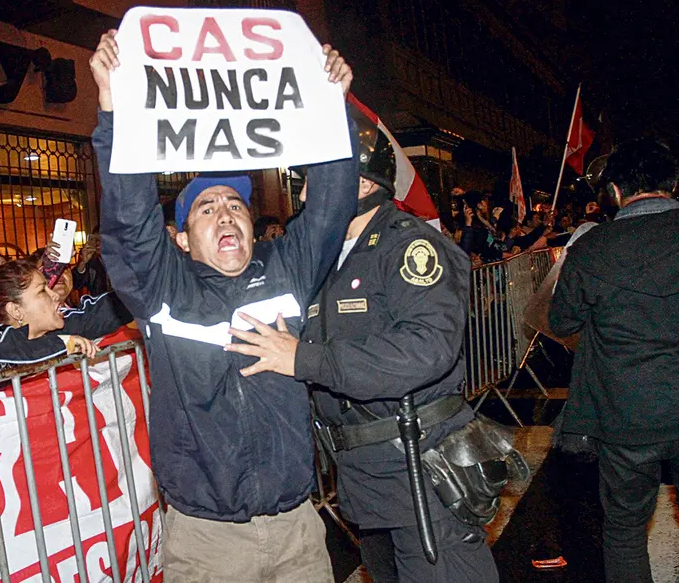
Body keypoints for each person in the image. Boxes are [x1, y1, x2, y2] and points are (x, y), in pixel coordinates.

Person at [90, 29, 357, 581]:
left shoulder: (288, 270)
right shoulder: (163, 290)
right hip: (208, 543)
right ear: (182, 239)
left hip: (298, 534)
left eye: (235, 203)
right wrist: (115, 111)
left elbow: (332, 205)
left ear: (253, 225)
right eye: (205, 209)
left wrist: (334, 108)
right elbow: (129, 225)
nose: (225, 214)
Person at [227, 129, 506, 583]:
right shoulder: (329, 256)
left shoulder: (409, 246)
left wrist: (305, 360)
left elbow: (426, 349)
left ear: (360, 183)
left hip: (420, 467)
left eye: (314, 180)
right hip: (366, 474)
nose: (301, 193)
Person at [549, 138, 679, 583]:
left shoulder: (592, 250)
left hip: (624, 413)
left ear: (615, 192)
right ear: (672, 184)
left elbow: (562, 320)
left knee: (624, 527)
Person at [0, 256, 132, 376]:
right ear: (16, 310)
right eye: (42, 291)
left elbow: (99, 313)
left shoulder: (60, 327)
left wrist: (143, 292)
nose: (54, 295)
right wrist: (65, 344)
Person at [72, 228, 110, 297]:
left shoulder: (121, 260)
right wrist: (83, 262)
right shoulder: (92, 264)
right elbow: (76, 284)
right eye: (95, 240)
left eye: (102, 240)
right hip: (100, 305)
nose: (98, 243)